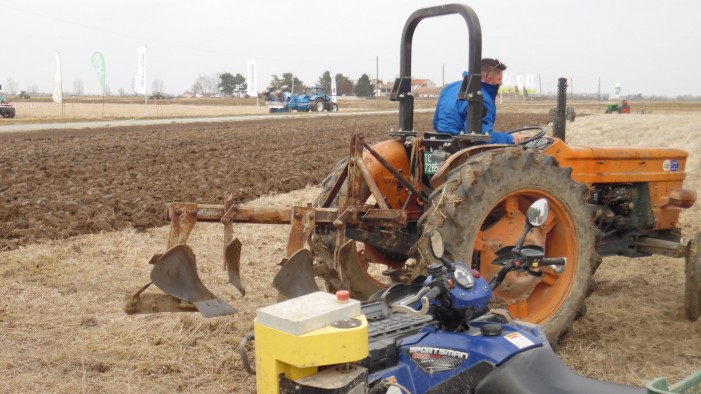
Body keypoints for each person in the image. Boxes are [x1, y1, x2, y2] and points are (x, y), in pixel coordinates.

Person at [433, 58, 521, 144]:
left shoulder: (449, 88)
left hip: (441, 143)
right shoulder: (481, 97)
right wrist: (511, 138)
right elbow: (481, 137)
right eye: (499, 79)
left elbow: (436, 123)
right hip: (461, 148)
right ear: (489, 79)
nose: (501, 83)